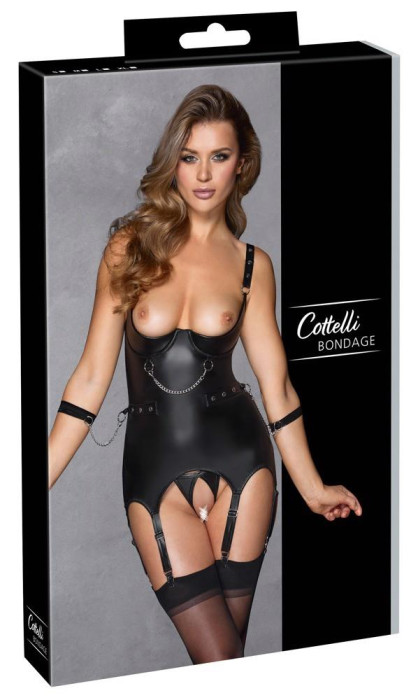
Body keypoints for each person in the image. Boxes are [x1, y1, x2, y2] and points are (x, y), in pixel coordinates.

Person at [48, 84, 362, 665]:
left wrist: (314, 488)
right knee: (219, 658)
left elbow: (277, 387)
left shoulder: (252, 266)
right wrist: (28, 486)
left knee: (223, 666)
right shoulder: (128, 249)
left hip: (244, 463)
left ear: (241, 163)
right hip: (152, 468)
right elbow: (90, 378)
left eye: (219, 156)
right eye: (189, 156)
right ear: (174, 161)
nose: (202, 174)